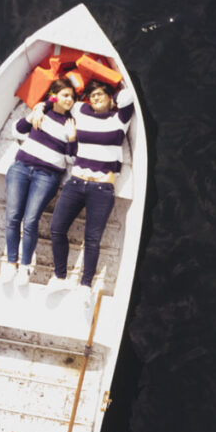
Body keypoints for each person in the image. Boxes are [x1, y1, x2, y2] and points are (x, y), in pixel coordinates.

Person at [47, 79, 134, 304]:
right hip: (76, 182)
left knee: (92, 239)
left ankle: (86, 284)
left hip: (102, 188)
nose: (95, 98)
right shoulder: (80, 111)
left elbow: (127, 97)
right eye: (92, 95)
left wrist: (114, 95)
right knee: (56, 229)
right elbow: (57, 99)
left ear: (109, 98)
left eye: (100, 95)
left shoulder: (119, 119)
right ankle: (60, 276)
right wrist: (41, 107)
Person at [0, 78, 77, 285]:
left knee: (31, 220)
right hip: (21, 169)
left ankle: (24, 267)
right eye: (65, 95)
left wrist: (71, 139)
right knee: (13, 216)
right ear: (55, 95)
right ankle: (10, 263)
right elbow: (17, 131)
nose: (70, 100)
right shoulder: (42, 110)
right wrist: (33, 114)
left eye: (72, 97)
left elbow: (71, 159)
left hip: (47, 176)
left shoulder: (71, 123)